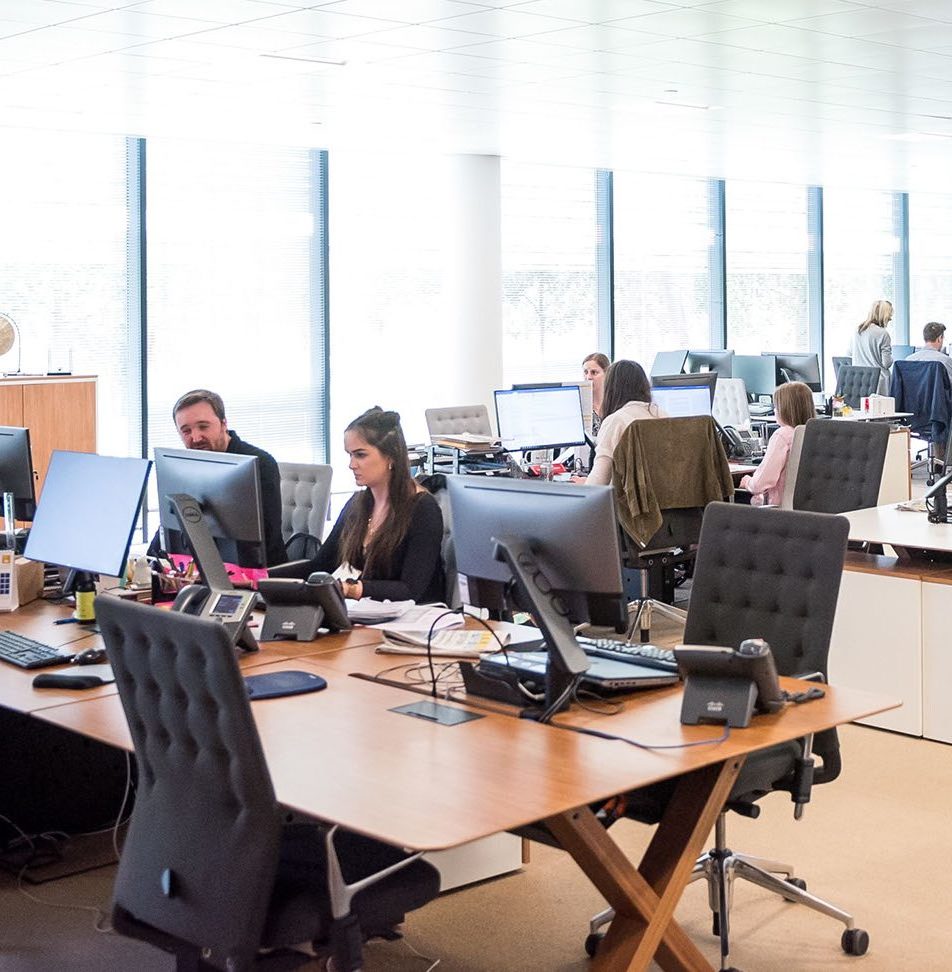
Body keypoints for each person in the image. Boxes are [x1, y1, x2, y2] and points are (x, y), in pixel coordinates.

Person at [304, 407, 445, 603]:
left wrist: (349, 589)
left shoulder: (422, 509)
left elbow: (410, 590)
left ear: (391, 457)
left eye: (360, 455)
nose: (352, 464)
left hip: (411, 622)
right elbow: (318, 566)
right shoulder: (357, 504)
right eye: (350, 455)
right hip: (365, 616)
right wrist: (257, 579)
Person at [151, 389, 287, 567]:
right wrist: (151, 559)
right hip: (205, 568)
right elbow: (173, 524)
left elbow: (265, 536)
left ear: (223, 423)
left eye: (203, 426)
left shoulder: (259, 463)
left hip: (261, 575)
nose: (196, 437)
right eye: (186, 431)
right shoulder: (187, 466)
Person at [574, 359, 667, 487]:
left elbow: (599, 481)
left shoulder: (616, 421)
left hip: (627, 504)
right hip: (664, 500)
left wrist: (582, 485)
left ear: (611, 389)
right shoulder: (662, 415)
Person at [739, 381, 814, 507]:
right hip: (808, 510)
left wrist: (747, 482)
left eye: (776, 407)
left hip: (778, 512)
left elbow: (759, 484)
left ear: (784, 409)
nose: (775, 411)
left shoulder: (783, 435)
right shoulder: (815, 434)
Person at [850, 299, 894, 395]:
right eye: (889, 315)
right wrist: (892, 358)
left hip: (860, 379)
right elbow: (886, 363)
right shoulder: (883, 333)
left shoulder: (858, 330)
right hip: (879, 381)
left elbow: (849, 353)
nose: (890, 319)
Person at [582, 352, 610, 435]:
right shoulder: (580, 406)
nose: (588, 377)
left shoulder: (615, 404)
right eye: (586, 372)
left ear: (607, 374)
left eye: (594, 372)